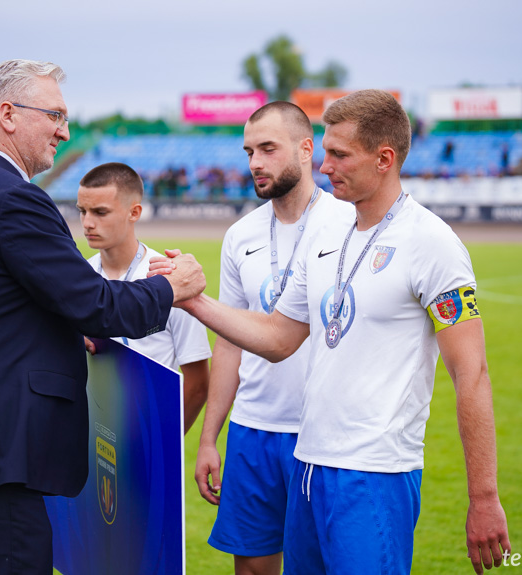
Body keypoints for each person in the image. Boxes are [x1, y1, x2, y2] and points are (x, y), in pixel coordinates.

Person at [152, 90, 510, 575]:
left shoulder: (432, 243)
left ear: (384, 159)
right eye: (325, 153)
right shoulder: (326, 236)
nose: (324, 167)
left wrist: (484, 497)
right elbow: (278, 337)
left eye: (339, 155)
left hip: (376, 474)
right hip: (308, 463)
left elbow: (472, 374)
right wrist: (193, 299)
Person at [0, 59, 204, 575]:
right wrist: (171, 287)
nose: (65, 130)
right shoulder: (12, 199)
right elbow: (97, 304)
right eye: (55, 115)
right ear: (9, 114)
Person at [194, 101, 353, 575]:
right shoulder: (240, 235)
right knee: (253, 570)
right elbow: (228, 343)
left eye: (268, 148)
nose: (255, 163)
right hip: (253, 431)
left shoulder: (347, 225)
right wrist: (209, 438)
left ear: (307, 150)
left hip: (322, 436)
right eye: (249, 152)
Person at [77, 162, 211, 433]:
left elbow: (197, 383)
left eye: (100, 212)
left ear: (134, 212)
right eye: (82, 211)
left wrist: (163, 445)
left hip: (148, 439)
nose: (88, 223)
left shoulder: (172, 279)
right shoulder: (79, 276)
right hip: (93, 437)